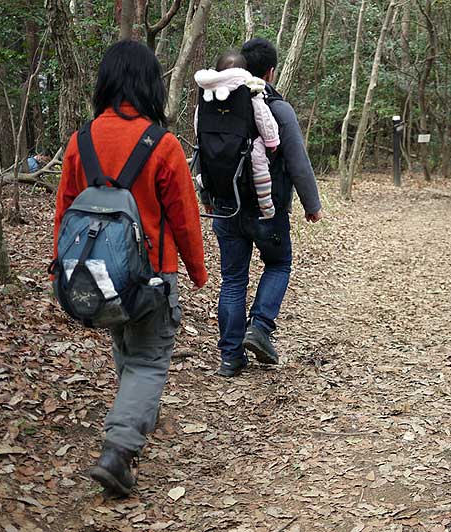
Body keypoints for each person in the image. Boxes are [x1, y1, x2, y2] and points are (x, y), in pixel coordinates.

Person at [53, 40, 207, 497]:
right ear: (148, 85)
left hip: (92, 275)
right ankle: (119, 450)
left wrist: (58, 270)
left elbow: (65, 212)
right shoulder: (163, 145)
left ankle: (136, 415)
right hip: (152, 275)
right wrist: (197, 271)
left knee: (126, 346)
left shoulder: (80, 141)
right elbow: (184, 216)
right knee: (147, 359)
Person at [204, 37, 322, 377]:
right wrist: (311, 205)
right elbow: (298, 161)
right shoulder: (277, 108)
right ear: (270, 72)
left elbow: (206, 156)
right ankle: (260, 327)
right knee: (279, 264)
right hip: (267, 209)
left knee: (232, 280)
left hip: (226, 207)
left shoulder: (215, 103)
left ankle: (230, 358)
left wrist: (208, 198)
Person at [194, 50, 280, 219]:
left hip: (211, 152)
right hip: (242, 154)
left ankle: (206, 192)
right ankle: (266, 207)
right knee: (259, 161)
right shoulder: (251, 92)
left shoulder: (205, 95)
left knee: (203, 158)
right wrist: (271, 141)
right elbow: (264, 120)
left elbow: (199, 125)